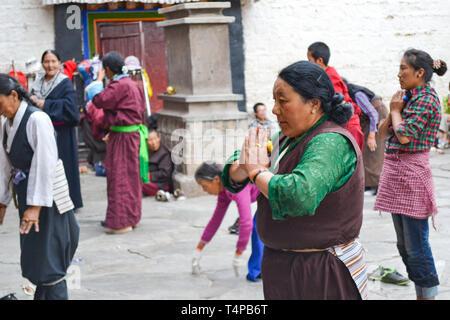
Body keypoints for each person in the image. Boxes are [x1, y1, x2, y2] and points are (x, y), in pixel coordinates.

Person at [222, 60, 368, 300]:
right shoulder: (288, 138)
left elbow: (299, 194)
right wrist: (244, 166)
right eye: (274, 101)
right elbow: (243, 164)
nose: (274, 110)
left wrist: (257, 172)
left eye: (283, 100)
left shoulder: (330, 142)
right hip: (281, 267)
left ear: (313, 104)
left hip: (321, 272)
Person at [375, 49, 447, 300]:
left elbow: (403, 135)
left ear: (420, 73)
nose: (399, 73)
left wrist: (395, 112)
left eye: (404, 68)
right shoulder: (407, 97)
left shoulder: (426, 98)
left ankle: (428, 296)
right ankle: (422, 294)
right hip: (397, 176)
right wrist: (394, 108)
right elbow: (382, 134)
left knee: (417, 248)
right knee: (404, 247)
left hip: (413, 177)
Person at [0, 74, 79, 300]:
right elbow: (4, 166)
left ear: (13, 95)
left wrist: (35, 206)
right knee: (36, 257)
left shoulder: (37, 120)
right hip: (27, 194)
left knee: (50, 258)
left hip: (48, 199)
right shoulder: (6, 124)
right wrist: (2, 201)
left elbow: (45, 164)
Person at [86, 51, 148, 235]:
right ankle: (132, 217)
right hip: (131, 135)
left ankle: (121, 222)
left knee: (119, 178)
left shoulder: (119, 85)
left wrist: (97, 80)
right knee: (130, 178)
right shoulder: (132, 83)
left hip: (122, 138)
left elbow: (99, 100)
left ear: (107, 69)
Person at [29, 50, 83, 210]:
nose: (50, 65)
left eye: (53, 61)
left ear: (60, 63)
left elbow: (71, 109)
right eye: (46, 61)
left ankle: (69, 201)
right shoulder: (37, 83)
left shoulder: (64, 83)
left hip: (62, 134)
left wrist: (44, 104)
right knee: (45, 165)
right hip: (43, 133)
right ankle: (47, 200)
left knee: (63, 166)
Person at [191, 162, 263, 281]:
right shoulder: (224, 190)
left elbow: (246, 223)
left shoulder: (236, 186)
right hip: (263, 195)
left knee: (258, 226)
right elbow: (215, 220)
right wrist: (199, 248)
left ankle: (259, 271)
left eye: (204, 186)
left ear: (216, 180)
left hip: (270, 193)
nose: (204, 190)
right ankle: (259, 269)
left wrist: (239, 252)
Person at [307, 42, 365, 151]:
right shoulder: (327, 74)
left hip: (348, 125)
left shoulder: (330, 78)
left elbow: (337, 102)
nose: (309, 64)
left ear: (319, 61)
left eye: (310, 60)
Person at [344, 79, 389, 195]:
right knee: (364, 149)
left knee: (373, 151)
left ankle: (374, 186)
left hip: (377, 116)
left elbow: (373, 114)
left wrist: (372, 135)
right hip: (368, 119)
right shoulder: (349, 96)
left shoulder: (357, 94)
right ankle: (367, 184)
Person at [142, 129, 174, 197]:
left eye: (155, 139)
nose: (154, 142)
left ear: (159, 138)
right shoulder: (146, 150)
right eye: (150, 140)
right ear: (146, 142)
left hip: (160, 185)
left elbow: (165, 173)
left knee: (139, 184)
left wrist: (149, 175)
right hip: (149, 180)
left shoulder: (164, 154)